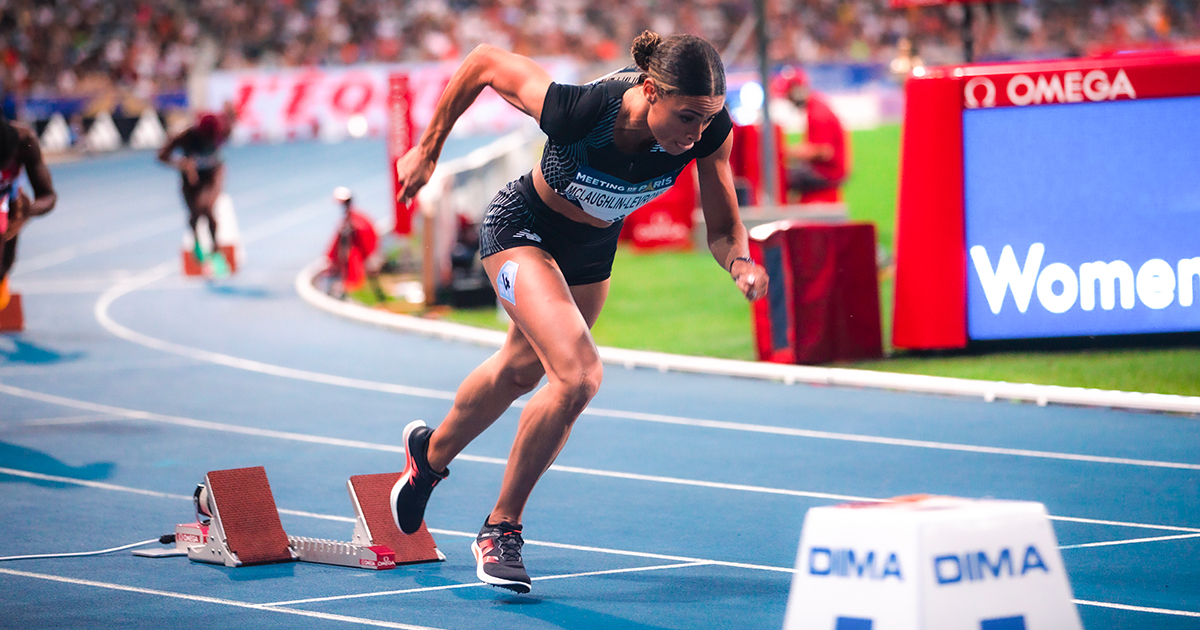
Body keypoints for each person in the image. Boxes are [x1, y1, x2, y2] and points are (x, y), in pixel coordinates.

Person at [389, 31, 769, 594]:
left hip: (591, 253)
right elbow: (485, 62)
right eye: (686, 118)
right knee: (578, 375)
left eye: (707, 119)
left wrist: (740, 263)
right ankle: (500, 528)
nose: (695, 135)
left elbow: (721, 228)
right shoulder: (581, 109)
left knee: (521, 371)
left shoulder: (710, 130)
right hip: (522, 229)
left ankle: (429, 455)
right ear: (649, 90)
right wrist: (428, 149)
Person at [158, 105, 235, 276]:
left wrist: (231, 114)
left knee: (207, 208)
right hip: (191, 176)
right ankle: (196, 241)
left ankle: (215, 251)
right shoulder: (185, 136)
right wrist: (182, 164)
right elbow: (161, 155)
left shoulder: (222, 130)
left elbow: (231, 121)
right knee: (194, 213)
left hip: (213, 174)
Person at [0, 116, 57, 311]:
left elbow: (48, 196)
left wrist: (28, 210)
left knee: (4, 266)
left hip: (8, 208)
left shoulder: (25, 141)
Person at [771, 66, 851, 204]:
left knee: (777, 177)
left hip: (828, 172)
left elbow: (824, 152)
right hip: (827, 171)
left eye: (788, 94)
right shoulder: (816, 107)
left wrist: (784, 152)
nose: (787, 99)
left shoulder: (817, 113)